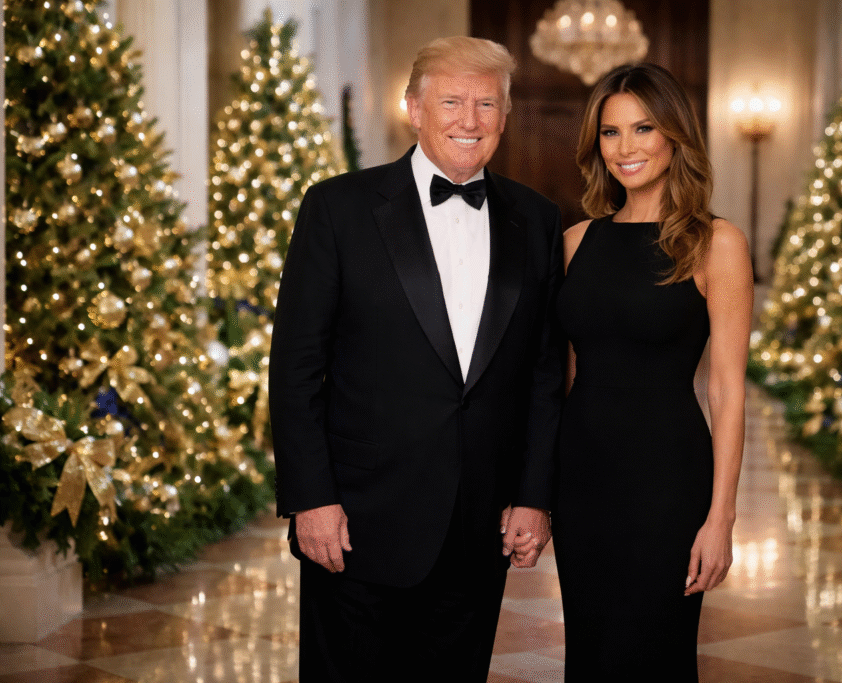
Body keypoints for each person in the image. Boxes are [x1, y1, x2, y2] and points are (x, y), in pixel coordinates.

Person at [268, 36, 564, 681]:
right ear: (413, 108)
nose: (469, 120)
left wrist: (532, 496)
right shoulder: (338, 207)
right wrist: (310, 498)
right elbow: (294, 368)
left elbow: (544, 374)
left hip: (478, 527)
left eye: (487, 104)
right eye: (451, 101)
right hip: (353, 524)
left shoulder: (538, 221)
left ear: (506, 118)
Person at [553, 63, 752, 680]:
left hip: (666, 481)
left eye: (643, 128)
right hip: (582, 478)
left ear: (675, 136)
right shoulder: (576, 240)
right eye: (610, 133)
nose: (626, 147)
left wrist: (720, 518)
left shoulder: (715, 243)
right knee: (589, 649)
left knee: (655, 654)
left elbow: (725, 389)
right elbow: (559, 379)